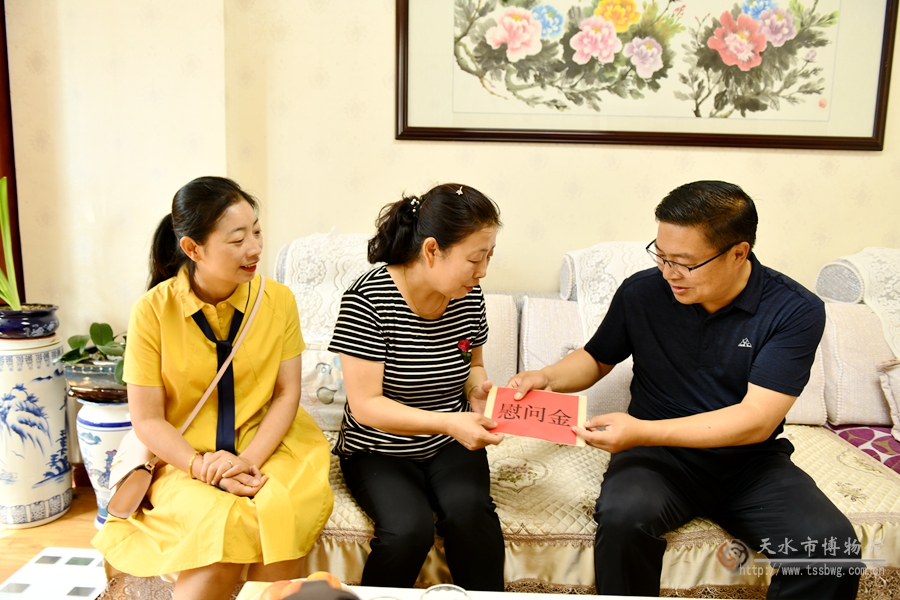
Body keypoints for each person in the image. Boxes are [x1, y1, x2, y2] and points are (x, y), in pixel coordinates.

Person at [509, 181, 861, 599]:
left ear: (738, 253)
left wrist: (640, 431)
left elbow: (756, 420)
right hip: (656, 460)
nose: (668, 272)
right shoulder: (642, 292)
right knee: (623, 519)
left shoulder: (793, 310)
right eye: (661, 256)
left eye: (684, 263)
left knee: (832, 553)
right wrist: (546, 378)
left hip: (748, 463)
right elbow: (597, 358)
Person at [93, 176, 334, 600]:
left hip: (270, 445)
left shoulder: (278, 300)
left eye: (256, 232)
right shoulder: (152, 312)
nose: (254, 249)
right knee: (218, 522)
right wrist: (201, 466)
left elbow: (286, 394)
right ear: (192, 249)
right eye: (237, 240)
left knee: (276, 507)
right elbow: (147, 419)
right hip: (183, 454)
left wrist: (246, 462)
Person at [328, 183, 505, 590]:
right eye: (474, 258)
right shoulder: (367, 300)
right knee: (408, 531)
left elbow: (474, 365)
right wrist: (450, 422)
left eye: (489, 256)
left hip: (448, 443)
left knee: (472, 517)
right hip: (379, 448)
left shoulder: (468, 295)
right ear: (431, 250)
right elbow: (366, 406)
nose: (482, 271)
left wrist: (477, 391)